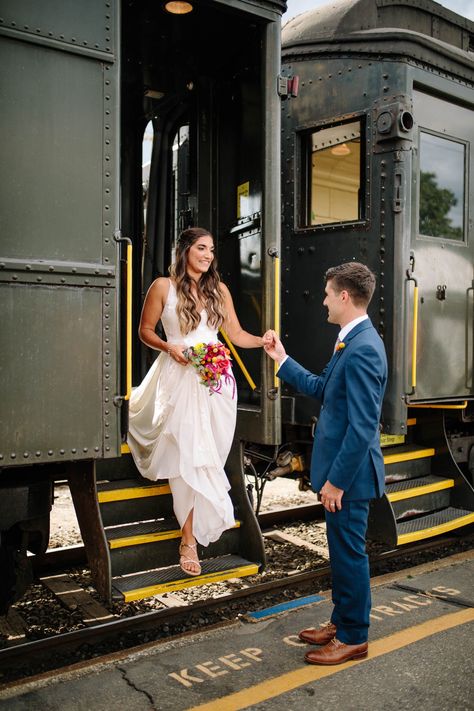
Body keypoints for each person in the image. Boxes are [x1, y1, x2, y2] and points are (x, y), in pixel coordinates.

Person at [263, 262, 387, 665]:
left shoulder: (364, 347)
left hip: (349, 478)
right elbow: (322, 387)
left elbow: (364, 426)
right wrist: (282, 359)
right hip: (342, 474)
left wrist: (336, 481)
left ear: (344, 297)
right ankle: (341, 621)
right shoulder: (350, 340)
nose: (324, 301)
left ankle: (354, 637)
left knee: (350, 555)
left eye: (328, 293)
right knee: (341, 551)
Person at [127, 227, 264, 577]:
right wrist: (169, 347)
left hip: (217, 382)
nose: (208, 255)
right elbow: (145, 331)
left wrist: (264, 340)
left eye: (212, 250)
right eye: (201, 248)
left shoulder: (219, 290)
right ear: (185, 249)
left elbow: (235, 335)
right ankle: (187, 539)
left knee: (211, 456)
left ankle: (197, 523)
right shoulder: (162, 286)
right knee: (189, 454)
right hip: (179, 377)